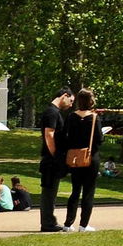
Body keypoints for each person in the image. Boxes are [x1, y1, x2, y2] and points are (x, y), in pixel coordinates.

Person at [62, 87, 105, 232]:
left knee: (75, 191)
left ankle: (68, 224)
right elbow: (99, 139)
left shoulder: (71, 117)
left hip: (74, 157)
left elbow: (66, 137)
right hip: (90, 157)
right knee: (88, 191)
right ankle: (84, 224)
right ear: (91, 101)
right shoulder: (94, 118)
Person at [38, 86, 73, 232]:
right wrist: (56, 155)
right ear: (64, 95)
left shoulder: (53, 112)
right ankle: (48, 223)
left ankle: (49, 221)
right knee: (49, 192)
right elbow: (49, 134)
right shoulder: (52, 112)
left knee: (51, 191)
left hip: (51, 158)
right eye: (71, 101)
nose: (71, 105)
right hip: (51, 159)